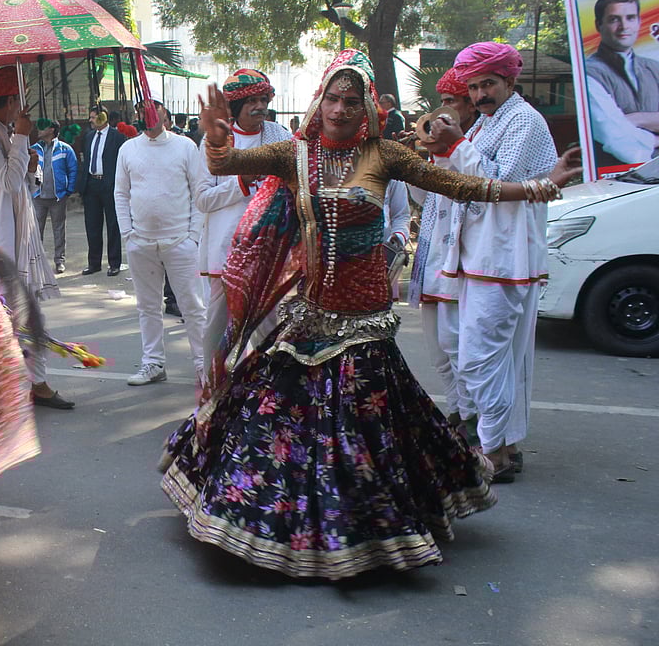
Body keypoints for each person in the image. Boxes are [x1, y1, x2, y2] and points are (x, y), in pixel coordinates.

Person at [160, 48, 579, 579]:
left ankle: (369, 531)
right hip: (308, 312)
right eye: (333, 98)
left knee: (367, 430)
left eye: (351, 101)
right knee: (276, 420)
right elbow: (225, 166)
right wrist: (217, 138)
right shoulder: (295, 153)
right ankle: (272, 524)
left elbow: (468, 187)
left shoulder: (386, 156)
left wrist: (545, 185)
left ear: (367, 109)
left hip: (365, 317)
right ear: (319, 102)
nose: (340, 109)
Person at [428, 42, 559, 482]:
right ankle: (503, 446)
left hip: (504, 259)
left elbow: (496, 184)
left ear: (509, 81)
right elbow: (460, 179)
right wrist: (443, 150)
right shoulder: (489, 122)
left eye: (488, 84)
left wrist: (456, 143)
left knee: (479, 359)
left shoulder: (523, 120)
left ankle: (493, 452)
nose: (480, 94)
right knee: (494, 360)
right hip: (480, 255)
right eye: (474, 87)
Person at [0, 67, 72, 410]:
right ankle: (9, 387)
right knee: (6, 317)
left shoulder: (2, 134)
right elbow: (8, 182)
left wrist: (29, 162)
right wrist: (22, 139)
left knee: (21, 315)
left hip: (13, 237)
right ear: (10, 101)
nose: (23, 110)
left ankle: (30, 384)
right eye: (19, 102)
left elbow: (21, 187)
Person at [196, 69, 291, 380]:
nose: (260, 106)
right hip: (226, 250)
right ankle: (213, 386)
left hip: (269, 249)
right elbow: (202, 199)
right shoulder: (214, 140)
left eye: (263, 99)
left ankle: (270, 388)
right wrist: (241, 181)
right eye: (251, 101)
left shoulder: (280, 136)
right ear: (235, 106)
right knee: (218, 326)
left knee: (271, 325)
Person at [408, 68, 481, 445]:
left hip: (458, 258)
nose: (445, 110)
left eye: (452, 102)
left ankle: (471, 417)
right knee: (438, 351)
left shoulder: (474, 143)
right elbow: (423, 199)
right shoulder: (443, 146)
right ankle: (456, 411)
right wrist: (419, 160)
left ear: (469, 105)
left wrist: (452, 148)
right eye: (443, 102)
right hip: (433, 256)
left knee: (455, 346)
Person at [115, 100, 207, 389]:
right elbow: (121, 193)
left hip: (180, 241)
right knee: (148, 306)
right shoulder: (128, 149)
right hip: (140, 243)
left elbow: (199, 191)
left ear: (165, 113)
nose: (149, 114)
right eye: (142, 110)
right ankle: (153, 362)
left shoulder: (185, 147)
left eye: (155, 108)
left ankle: (204, 365)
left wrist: (193, 236)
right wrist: (128, 234)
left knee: (192, 306)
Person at [583, 0, 659, 167]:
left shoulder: (654, 68)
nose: (624, 27)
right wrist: (655, 138)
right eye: (614, 19)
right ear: (598, 25)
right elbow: (618, 140)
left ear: (639, 22)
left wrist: (637, 118)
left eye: (630, 18)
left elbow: (621, 129)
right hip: (616, 177)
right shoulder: (588, 73)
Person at [77, 105, 125, 276]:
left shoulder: (117, 137)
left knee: (113, 225)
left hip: (109, 185)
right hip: (91, 184)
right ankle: (94, 263)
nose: (90, 120)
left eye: (93, 117)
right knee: (92, 225)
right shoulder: (89, 136)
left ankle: (114, 263)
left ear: (102, 117)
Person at [30, 117, 78, 274]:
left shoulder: (65, 149)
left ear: (51, 129)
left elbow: (73, 169)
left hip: (58, 197)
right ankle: (38, 262)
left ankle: (59, 261)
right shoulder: (34, 149)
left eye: (43, 127)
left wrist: (68, 190)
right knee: (36, 231)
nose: (39, 129)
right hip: (38, 196)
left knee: (59, 230)